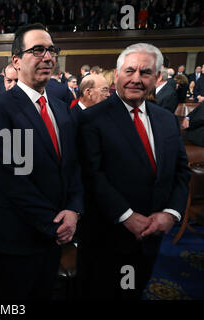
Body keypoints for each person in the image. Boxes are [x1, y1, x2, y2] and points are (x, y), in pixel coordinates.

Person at [77, 43, 190, 300]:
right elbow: (92, 175)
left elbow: (181, 172)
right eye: (129, 71)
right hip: (106, 238)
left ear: (157, 77)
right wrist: (126, 215)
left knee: (133, 293)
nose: (136, 79)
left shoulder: (166, 119)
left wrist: (171, 213)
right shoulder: (91, 119)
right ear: (116, 75)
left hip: (152, 237)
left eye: (145, 72)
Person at [0, 23, 83, 300]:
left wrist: (74, 210)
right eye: (38, 50)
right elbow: (8, 177)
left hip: (58, 235)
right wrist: (55, 225)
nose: (48, 57)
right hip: (19, 238)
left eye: (52, 50)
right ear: (16, 61)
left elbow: (74, 166)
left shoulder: (62, 108)